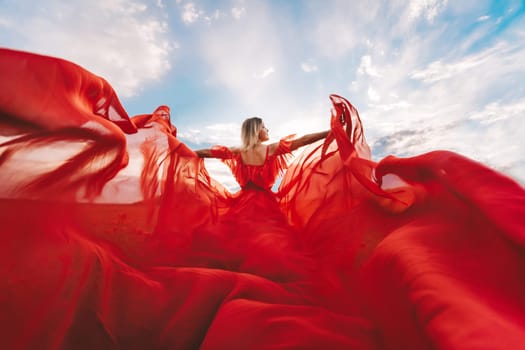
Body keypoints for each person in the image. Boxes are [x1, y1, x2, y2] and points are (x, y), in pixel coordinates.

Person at [194, 117, 329, 191]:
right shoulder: (271, 149)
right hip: (268, 207)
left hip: (241, 207)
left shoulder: (238, 152)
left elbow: (206, 152)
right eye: (264, 127)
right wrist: (330, 132)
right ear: (257, 130)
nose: (267, 129)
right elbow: (304, 140)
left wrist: (181, 151)